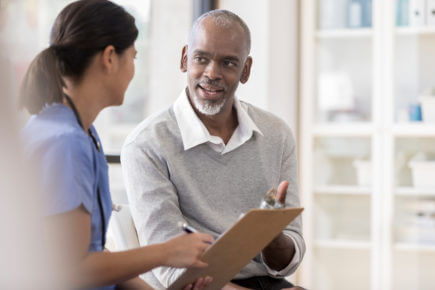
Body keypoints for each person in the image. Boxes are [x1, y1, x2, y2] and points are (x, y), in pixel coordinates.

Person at [19, 1, 214, 289]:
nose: (134, 70)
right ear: (109, 58)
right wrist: (166, 252)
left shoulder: (80, 132)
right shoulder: (65, 144)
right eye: (133, 57)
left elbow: (91, 255)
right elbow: (73, 269)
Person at [121, 9, 305, 290]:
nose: (212, 73)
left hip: (265, 282)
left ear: (246, 70)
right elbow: (171, 268)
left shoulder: (276, 134)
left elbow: (290, 257)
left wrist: (270, 237)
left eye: (228, 63)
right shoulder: (146, 145)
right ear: (185, 59)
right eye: (201, 59)